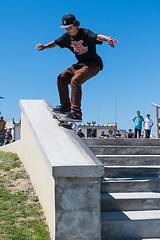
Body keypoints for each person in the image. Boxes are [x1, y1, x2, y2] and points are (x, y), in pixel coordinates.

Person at [36, 14, 119, 120]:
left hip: (93, 64)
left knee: (75, 80)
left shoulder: (85, 33)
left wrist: (107, 38)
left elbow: (98, 36)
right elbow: (55, 43)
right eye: (66, 28)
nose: (68, 30)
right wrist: (45, 46)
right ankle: (65, 106)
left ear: (75, 24)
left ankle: (76, 112)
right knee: (61, 78)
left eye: (70, 27)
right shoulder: (66, 37)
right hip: (80, 65)